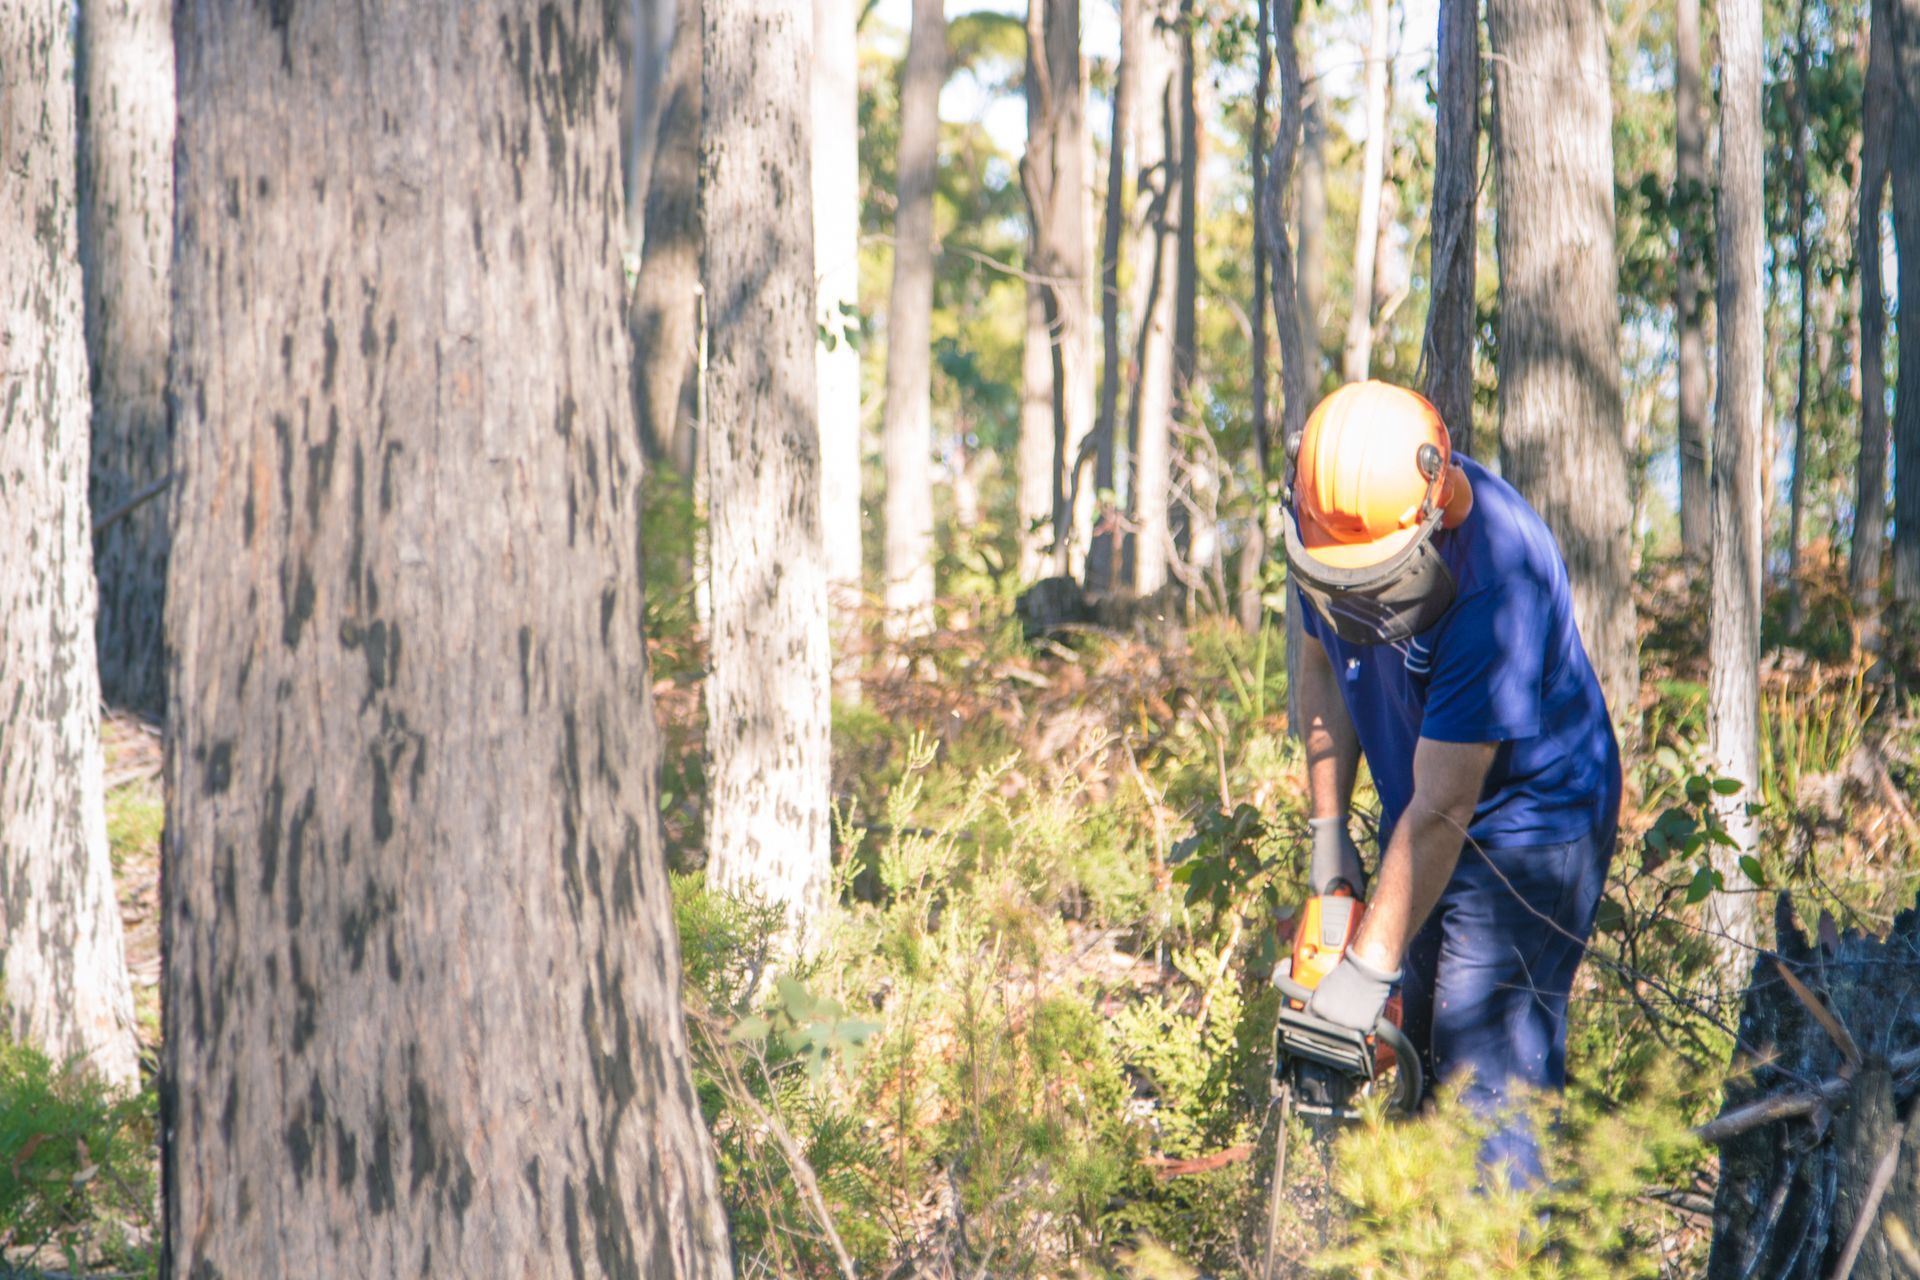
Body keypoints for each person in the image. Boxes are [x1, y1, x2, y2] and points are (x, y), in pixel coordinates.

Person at [1286, 380, 1622, 1183]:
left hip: (1530, 821)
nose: (1353, 599)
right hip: (1422, 806)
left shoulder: (1496, 575)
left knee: (1484, 1075)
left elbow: (1445, 808)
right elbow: (1321, 669)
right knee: (1418, 1051)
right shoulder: (1327, 510)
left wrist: (1363, 974)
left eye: (1371, 579)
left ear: (1434, 515)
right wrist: (1330, 840)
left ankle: (1508, 1242)